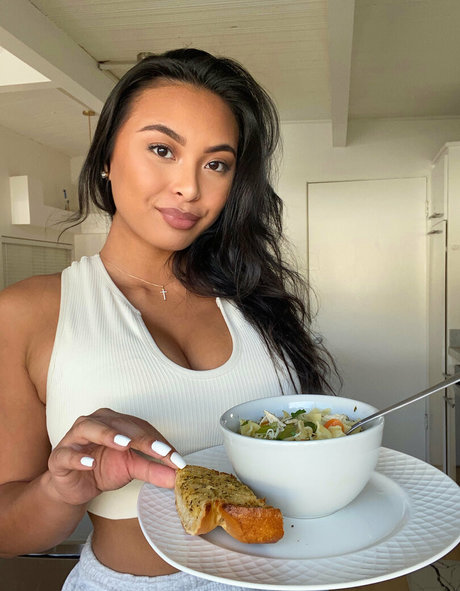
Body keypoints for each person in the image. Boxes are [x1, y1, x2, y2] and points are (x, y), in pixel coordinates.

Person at [0, 48, 335, 590]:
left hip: (288, 576)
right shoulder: (25, 313)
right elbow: (7, 532)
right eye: (162, 150)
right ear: (106, 157)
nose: (190, 188)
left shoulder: (256, 301)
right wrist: (59, 490)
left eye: (216, 163)